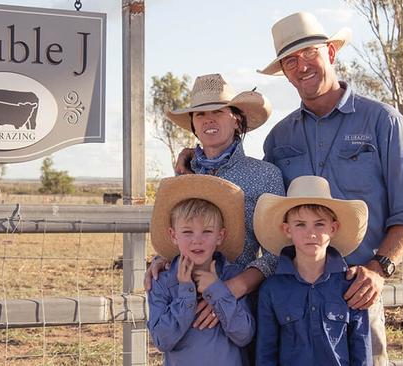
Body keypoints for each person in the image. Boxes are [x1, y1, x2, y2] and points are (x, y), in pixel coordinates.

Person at [257, 12, 403, 365]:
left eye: (310, 54)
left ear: (331, 54)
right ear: (285, 72)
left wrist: (379, 268)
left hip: (357, 294)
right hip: (292, 299)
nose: (302, 66)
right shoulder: (279, 138)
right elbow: (258, 198)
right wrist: (197, 162)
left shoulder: (382, 122)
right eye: (290, 61)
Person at [146, 74, 285, 330]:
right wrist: (161, 258)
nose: (208, 119)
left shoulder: (266, 175)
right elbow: (179, 233)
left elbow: (278, 252)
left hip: (243, 305)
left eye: (218, 111)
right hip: (186, 302)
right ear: (193, 126)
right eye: (199, 115)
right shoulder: (184, 176)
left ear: (236, 119)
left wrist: (232, 288)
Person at [253, 175, 372, 366]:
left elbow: (361, 348)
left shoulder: (349, 284)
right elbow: (266, 351)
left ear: (333, 228)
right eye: (300, 224)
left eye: (319, 224)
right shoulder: (272, 289)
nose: (311, 233)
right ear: (287, 229)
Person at [147, 174, 255, 366]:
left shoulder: (234, 276)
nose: (197, 240)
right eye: (187, 232)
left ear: (220, 236)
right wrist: (186, 293)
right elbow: (162, 340)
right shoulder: (162, 282)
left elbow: (244, 335)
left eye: (207, 231)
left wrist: (217, 291)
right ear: (173, 235)